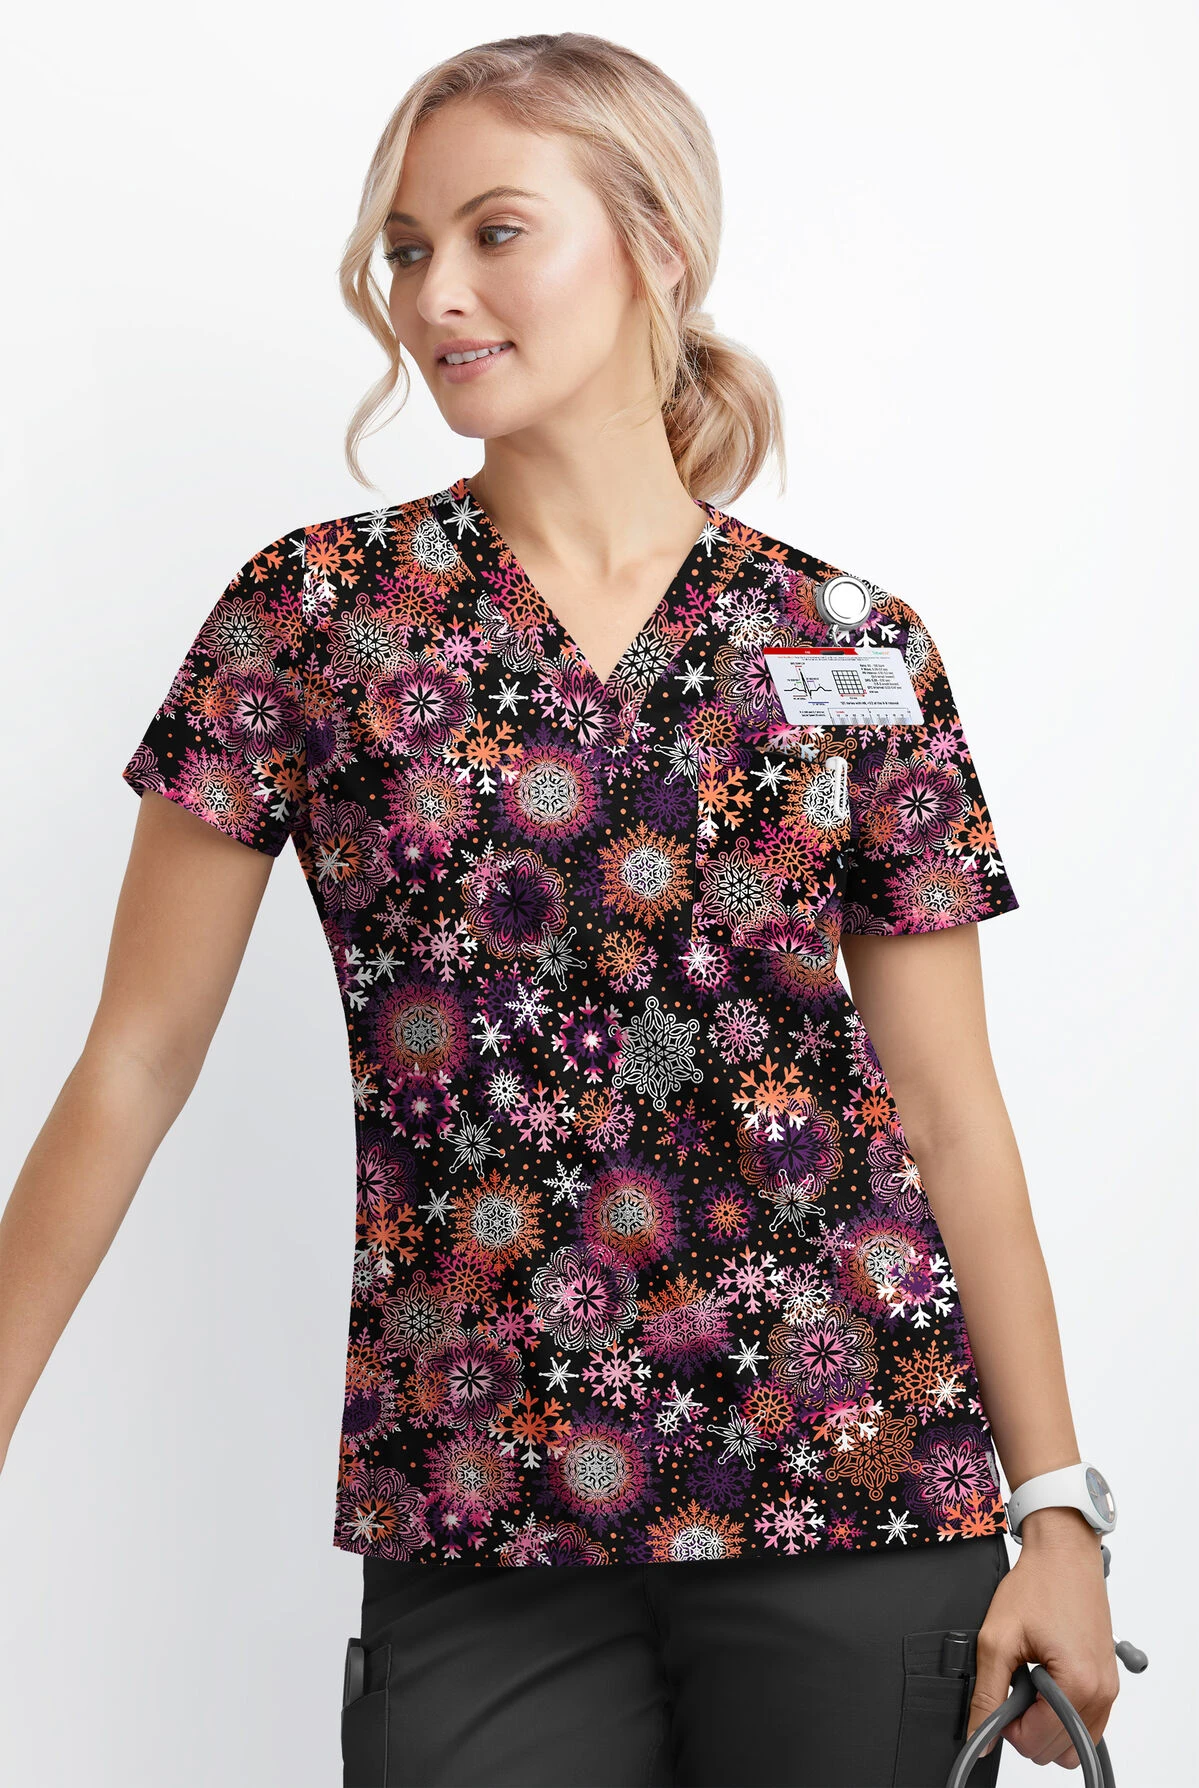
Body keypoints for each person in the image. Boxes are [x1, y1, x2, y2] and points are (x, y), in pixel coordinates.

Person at [0, 30, 1122, 1788]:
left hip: (855, 1474)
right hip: (476, 1495)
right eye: (404, 248)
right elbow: (132, 1063)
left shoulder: (848, 644)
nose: (433, 292)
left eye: (494, 232)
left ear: (654, 245)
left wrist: (1054, 1511)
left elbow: (946, 1108)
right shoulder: (314, 618)